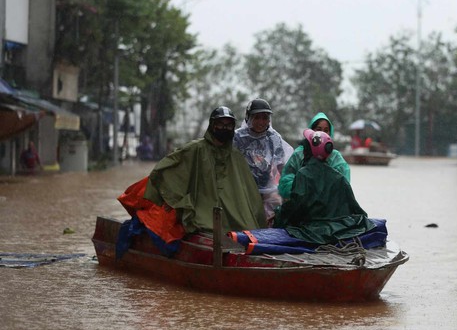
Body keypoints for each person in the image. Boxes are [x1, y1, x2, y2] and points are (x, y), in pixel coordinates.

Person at [118, 106, 267, 248]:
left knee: (245, 228)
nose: (224, 128)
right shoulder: (195, 149)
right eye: (220, 124)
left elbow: (249, 192)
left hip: (230, 215)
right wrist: (176, 200)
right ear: (212, 125)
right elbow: (166, 169)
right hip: (202, 210)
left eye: (228, 125)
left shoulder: (235, 156)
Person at [274, 128, 375, 244]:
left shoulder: (303, 174)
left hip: (312, 231)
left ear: (308, 150)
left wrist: (278, 214)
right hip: (339, 230)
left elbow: (295, 208)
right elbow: (356, 210)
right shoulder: (339, 177)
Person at [233, 98, 293, 227]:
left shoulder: (273, 138)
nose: (261, 122)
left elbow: (282, 166)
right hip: (242, 187)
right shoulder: (237, 138)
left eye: (265, 118)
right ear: (248, 117)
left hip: (266, 187)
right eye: (257, 117)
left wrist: (287, 190)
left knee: (276, 204)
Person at [278, 112, 350, 200]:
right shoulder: (299, 154)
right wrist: (303, 189)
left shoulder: (335, 157)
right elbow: (285, 182)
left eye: (326, 130)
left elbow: (343, 186)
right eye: (318, 129)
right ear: (312, 131)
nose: (322, 133)